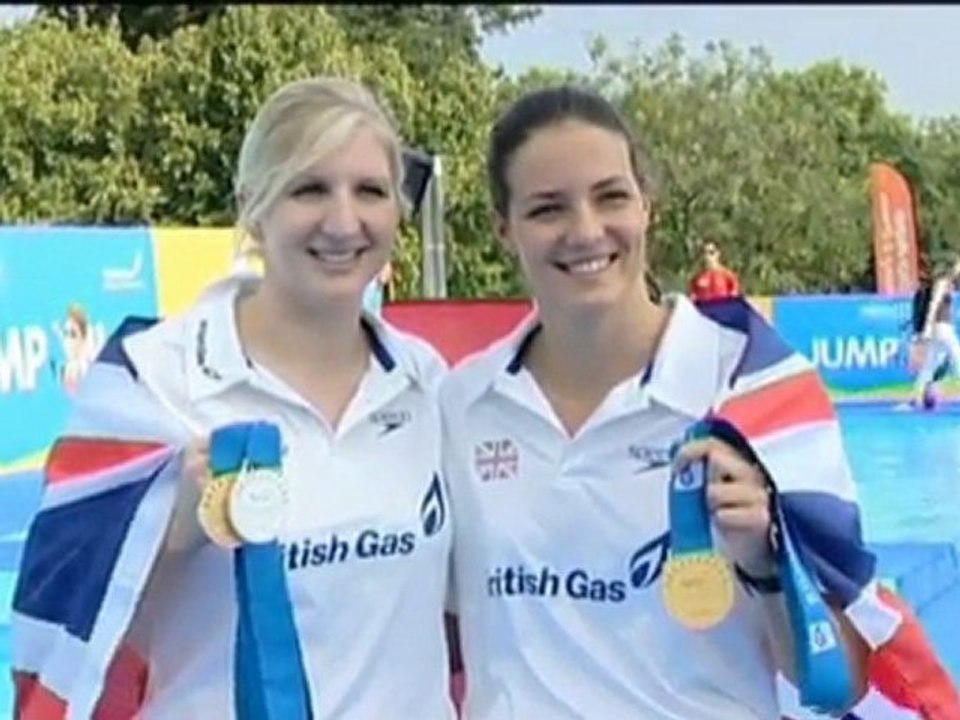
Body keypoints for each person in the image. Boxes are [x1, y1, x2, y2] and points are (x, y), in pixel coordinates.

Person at [439, 85, 958, 719]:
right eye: (548, 208)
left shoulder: (755, 387)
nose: (586, 230)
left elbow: (840, 682)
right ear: (504, 228)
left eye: (611, 197)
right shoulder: (460, 404)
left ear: (647, 207)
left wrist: (767, 564)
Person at [12, 77, 455, 719]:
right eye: (309, 189)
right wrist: (166, 523)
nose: (343, 221)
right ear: (253, 207)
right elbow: (56, 617)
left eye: (370, 191)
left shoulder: (428, 382)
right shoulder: (152, 375)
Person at [909, 256, 960, 408]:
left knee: (930, 364)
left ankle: (916, 397)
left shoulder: (947, 282)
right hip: (941, 327)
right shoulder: (941, 282)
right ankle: (917, 397)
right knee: (957, 357)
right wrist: (927, 328)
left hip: (940, 328)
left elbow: (955, 272)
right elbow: (933, 304)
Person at [689, 238, 741, 302]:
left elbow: (734, 296)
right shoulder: (697, 277)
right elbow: (693, 297)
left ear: (718, 253)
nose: (708, 256)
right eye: (705, 252)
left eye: (711, 252)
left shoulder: (728, 276)